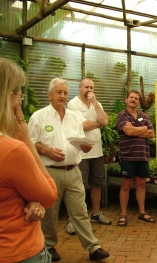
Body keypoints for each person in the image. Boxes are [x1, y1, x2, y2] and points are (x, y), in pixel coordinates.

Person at [0, 58, 57, 263]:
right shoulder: (9, 150)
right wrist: (25, 139)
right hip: (18, 251)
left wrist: (30, 197)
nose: (21, 99)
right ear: (7, 97)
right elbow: (49, 195)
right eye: (19, 92)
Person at [28, 78, 109, 261]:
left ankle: (93, 247)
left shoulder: (74, 117)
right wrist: (46, 150)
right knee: (50, 212)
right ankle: (49, 246)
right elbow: (30, 142)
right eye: (58, 92)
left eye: (65, 92)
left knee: (80, 209)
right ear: (49, 95)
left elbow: (78, 139)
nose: (62, 96)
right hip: (50, 172)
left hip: (73, 170)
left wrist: (84, 147)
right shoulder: (39, 117)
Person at [67, 78, 111, 232]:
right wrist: (98, 123)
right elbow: (82, 125)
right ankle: (73, 219)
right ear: (80, 87)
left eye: (91, 87)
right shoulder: (73, 104)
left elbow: (105, 120)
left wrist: (96, 104)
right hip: (81, 153)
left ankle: (96, 214)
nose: (89, 90)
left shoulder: (95, 103)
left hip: (97, 152)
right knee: (79, 186)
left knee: (97, 184)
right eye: (86, 87)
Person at [116, 90, 155, 226]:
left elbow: (151, 134)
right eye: (131, 97)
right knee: (126, 185)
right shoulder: (122, 115)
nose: (133, 100)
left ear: (138, 102)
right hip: (128, 156)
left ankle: (142, 212)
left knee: (141, 184)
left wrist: (136, 130)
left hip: (142, 156)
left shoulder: (143, 115)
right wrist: (142, 129)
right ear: (126, 100)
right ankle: (123, 214)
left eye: (136, 98)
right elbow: (128, 131)